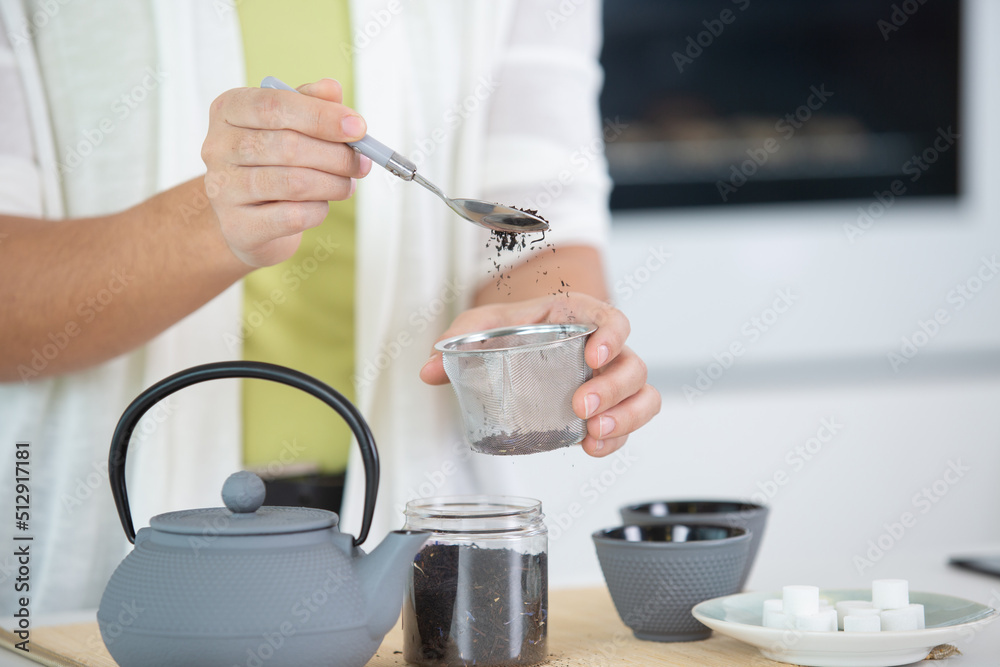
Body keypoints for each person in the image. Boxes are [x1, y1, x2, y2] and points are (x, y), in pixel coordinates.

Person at [0, 0, 660, 614]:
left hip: (426, 535)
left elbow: (539, 225)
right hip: (90, 556)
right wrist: (211, 219)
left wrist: (548, 333)